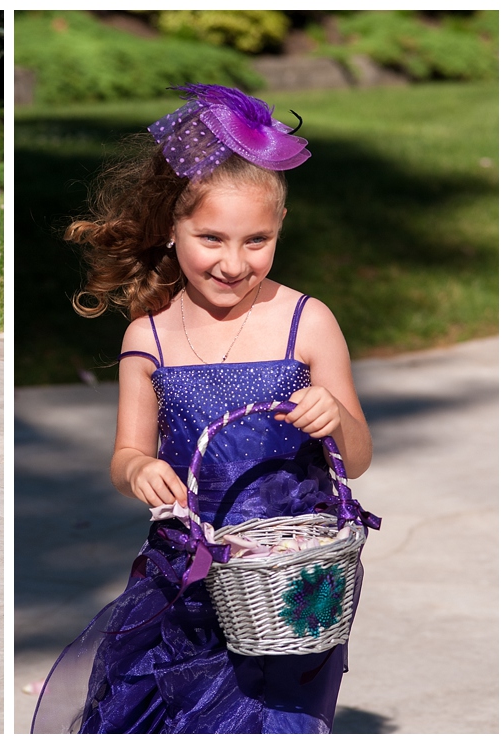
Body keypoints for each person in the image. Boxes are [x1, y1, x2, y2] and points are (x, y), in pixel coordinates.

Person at [30, 85, 377, 733]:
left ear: (279, 232)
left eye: (257, 240)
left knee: (271, 721)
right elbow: (125, 455)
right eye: (211, 238)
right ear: (172, 228)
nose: (233, 262)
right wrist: (137, 471)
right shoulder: (149, 336)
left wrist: (337, 418)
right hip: (185, 575)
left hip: (289, 578)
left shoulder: (307, 322)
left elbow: (354, 459)